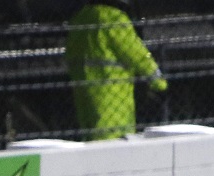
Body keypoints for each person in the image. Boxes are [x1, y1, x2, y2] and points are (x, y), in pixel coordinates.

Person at [65, 0, 166, 141]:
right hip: (112, 93)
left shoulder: (79, 19)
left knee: (90, 141)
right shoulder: (113, 19)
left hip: (84, 91)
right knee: (114, 142)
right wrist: (159, 83)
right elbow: (135, 53)